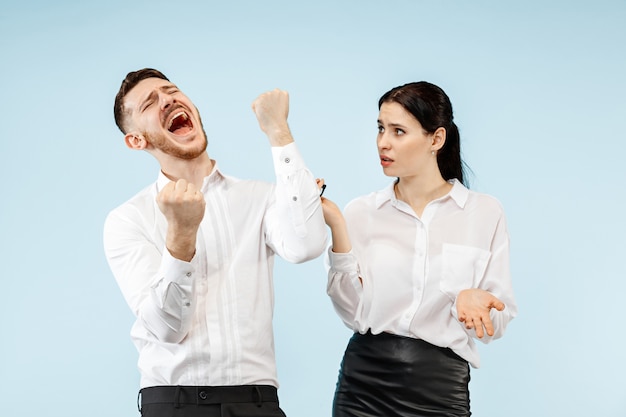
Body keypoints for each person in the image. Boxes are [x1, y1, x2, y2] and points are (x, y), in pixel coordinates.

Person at [103, 68, 327, 417]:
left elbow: (306, 245)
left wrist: (278, 131)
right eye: (150, 102)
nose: (167, 100)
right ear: (137, 140)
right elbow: (166, 327)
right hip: (174, 404)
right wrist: (181, 234)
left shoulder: (259, 197)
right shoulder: (127, 219)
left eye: (171, 90)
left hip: (257, 403)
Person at [319, 81, 517, 417]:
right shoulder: (361, 212)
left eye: (398, 131)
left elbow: (496, 323)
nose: (383, 142)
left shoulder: (483, 213)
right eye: (381, 129)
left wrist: (469, 299)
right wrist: (337, 226)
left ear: (436, 139)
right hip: (363, 387)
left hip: (440, 390)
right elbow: (354, 314)